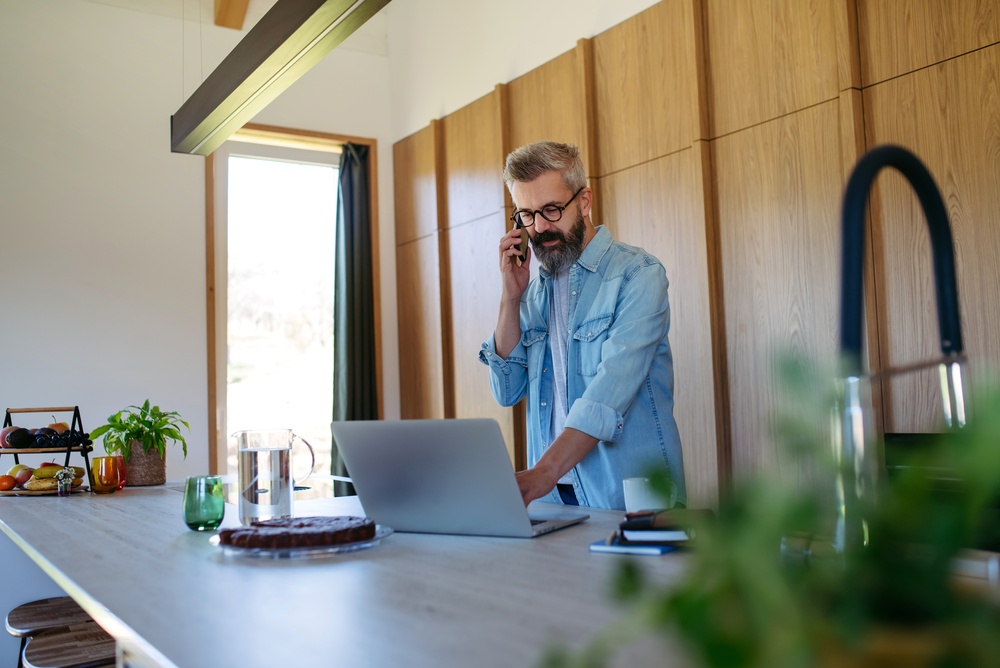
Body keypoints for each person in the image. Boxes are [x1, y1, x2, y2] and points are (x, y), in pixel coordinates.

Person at [478, 141, 686, 510]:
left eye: (552, 209)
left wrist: (542, 471)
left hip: (626, 498)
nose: (539, 228)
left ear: (584, 201)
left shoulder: (637, 275)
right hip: (554, 499)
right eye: (526, 215)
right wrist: (510, 299)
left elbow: (606, 396)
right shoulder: (533, 290)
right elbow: (506, 389)